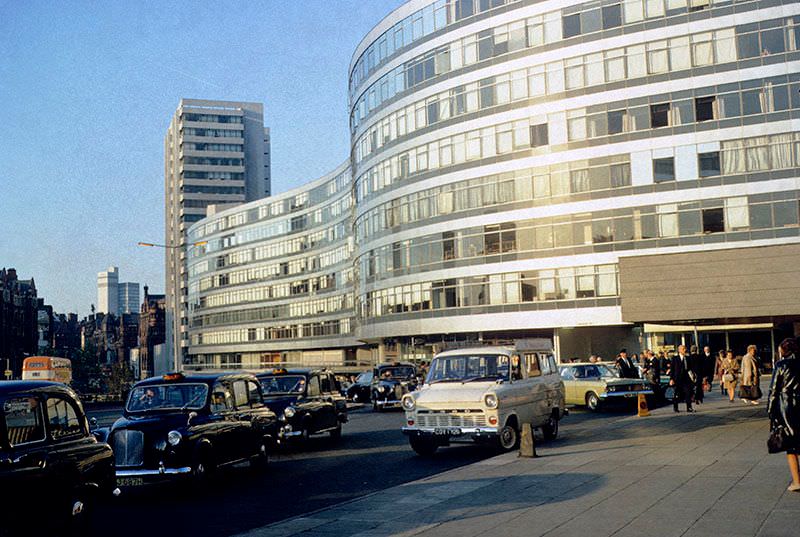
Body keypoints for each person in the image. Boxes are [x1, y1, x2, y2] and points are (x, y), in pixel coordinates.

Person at [767, 338, 800, 492]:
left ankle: (797, 481)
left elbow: (774, 391)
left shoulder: (781, 365)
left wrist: (770, 411)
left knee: (791, 446)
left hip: (786, 407)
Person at [670, 345, 695, 413]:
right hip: (677, 379)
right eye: (683, 349)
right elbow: (672, 369)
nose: (685, 350)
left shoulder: (688, 358)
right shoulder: (675, 358)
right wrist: (671, 379)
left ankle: (689, 407)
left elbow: (691, 368)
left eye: (685, 348)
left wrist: (693, 376)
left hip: (686, 379)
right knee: (677, 394)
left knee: (688, 393)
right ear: (679, 350)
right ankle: (675, 407)